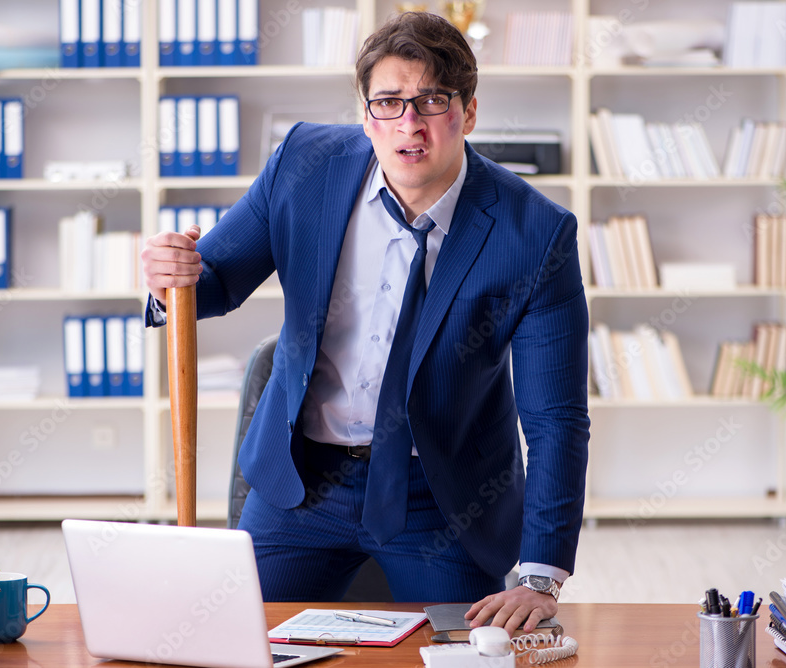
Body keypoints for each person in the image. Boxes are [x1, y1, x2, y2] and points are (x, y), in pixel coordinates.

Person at [142, 11, 589, 634]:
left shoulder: (536, 233)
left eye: (432, 101)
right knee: (225, 638)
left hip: (441, 500)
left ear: (469, 111)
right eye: (389, 102)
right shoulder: (304, 165)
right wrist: (171, 275)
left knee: (463, 651)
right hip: (301, 485)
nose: (409, 124)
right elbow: (212, 281)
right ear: (366, 113)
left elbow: (556, 418)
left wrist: (541, 576)